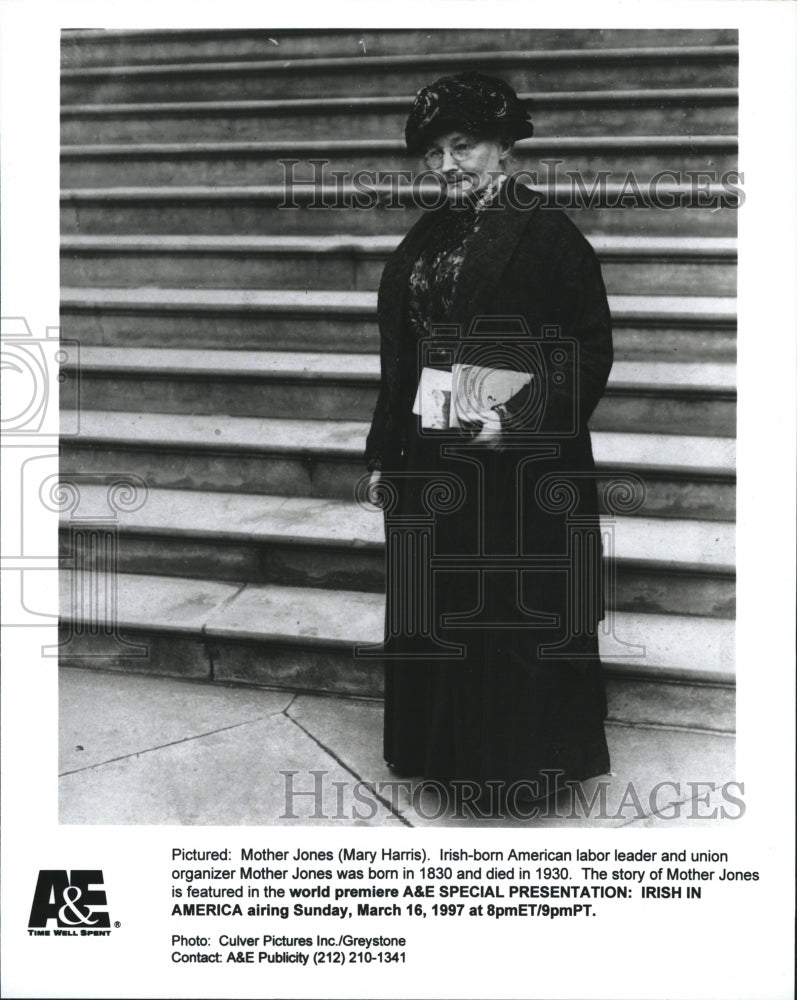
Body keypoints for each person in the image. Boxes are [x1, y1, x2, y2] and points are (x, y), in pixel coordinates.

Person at [364, 72, 613, 811]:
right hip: (431, 454)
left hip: (517, 467)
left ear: (503, 148)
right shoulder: (426, 235)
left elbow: (590, 349)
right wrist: (383, 451)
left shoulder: (547, 236)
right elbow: (400, 354)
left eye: (462, 146)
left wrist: (522, 416)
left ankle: (518, 775)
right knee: (440, 611)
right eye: (433, 151)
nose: (446, 164)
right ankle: (446, 758)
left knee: (507, 615)